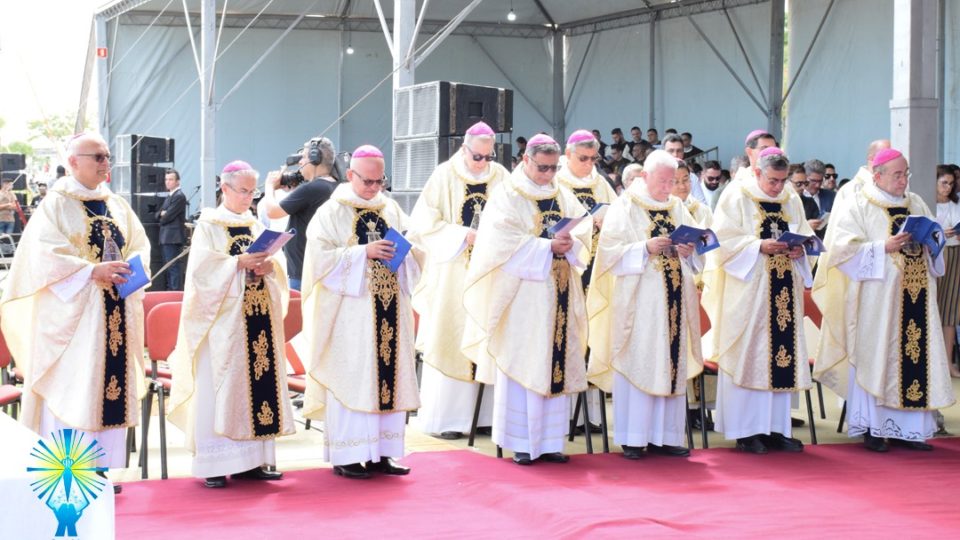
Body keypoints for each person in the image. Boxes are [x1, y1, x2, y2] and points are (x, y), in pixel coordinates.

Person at [0, 133, 150, 494]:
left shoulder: (116, 204)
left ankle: (99, 468)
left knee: (105, 387)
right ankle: (69, 468)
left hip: (113, 311)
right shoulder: (56, 204)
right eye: (97, 156)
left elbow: (139, 244)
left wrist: (127, 270)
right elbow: (42, 258)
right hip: (74, 320)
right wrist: (91, 272)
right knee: (75, 388)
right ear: (73, 161)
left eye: (107, 156)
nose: (105, 162)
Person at [813, 148, 955, 452]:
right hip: (877, 302)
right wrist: (882, 246)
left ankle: (909, 431)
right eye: (897, 174)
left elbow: (935, 240)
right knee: (877, 358)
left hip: (916, 294)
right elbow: (840, 249)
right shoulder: (859, 203)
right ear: (877, 175)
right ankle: (875, 430)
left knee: (914, 356)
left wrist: (932, 241)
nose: (904, 180)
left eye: (906, 173)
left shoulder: (914, 202)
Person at [462, 133, 591, 465]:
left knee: (554, 360)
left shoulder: (561, 193)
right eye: (543, 167)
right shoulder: (508, 195)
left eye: (553, 168)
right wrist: (546, 246)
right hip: (523, 296)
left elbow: (582, 230)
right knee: (526, 360)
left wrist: (570, 241)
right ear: (526, 160)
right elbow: (498, 243)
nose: (548, 174)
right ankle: (521, 441)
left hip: (559, 290)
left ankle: (550, 442)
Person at [167, 160, 294, 488]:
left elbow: (274, 263)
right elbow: (200, 273)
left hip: (256, 319)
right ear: (224, 188)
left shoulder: (253, 223)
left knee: (256, 388)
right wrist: (237, 264)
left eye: (253, 192)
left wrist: (270, 269)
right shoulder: (209, 225)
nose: (249, 198)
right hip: (221, 326)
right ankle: (213, 463)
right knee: (218, 388)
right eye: (243, 191)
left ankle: (250, 462)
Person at [302, 145, 422, 480]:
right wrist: (362, 253)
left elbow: (414, 245)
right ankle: (349, 455)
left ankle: (384, 453)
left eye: (379, 181)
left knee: (387, 378)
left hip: (389, 310)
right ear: (351, 175)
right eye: (367, 181)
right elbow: (319, 261)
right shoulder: (331, 212)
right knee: (354, 378)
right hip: (350, 316)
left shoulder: (392, 208)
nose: (373, 188)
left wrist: (407, 251)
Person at [587, 150, 703, 459]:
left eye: (673, 181)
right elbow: (608, 254)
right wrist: (644, 247)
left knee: (669, 362)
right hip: (640, 304)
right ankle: (634, 437)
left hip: (674, 298)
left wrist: (689, 249)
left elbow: (696, 250)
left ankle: (666, 436)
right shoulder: (625, 206)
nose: (668, 187)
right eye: (663, 181)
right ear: (645, 177)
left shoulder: (677, 206)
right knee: (640, 361)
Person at [702, 147, 815, 454]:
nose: (778, 186)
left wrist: (799, 250)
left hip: (784, 292)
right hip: (750, 293)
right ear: (757, 172)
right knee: (749, 356)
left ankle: (777, 429)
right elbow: (722, 242)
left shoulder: (790, 198)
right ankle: (747, 431)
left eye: (782, 180)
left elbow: (805, 234)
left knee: (781, 357)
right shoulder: (736, 195)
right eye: (773, 180)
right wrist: (758, 246)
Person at [409, 122, 507, 440]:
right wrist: (462, 234)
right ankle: (450, 418)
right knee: (451, 334)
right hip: (453, 271)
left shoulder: (501, 176)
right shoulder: (443, 175)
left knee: (489, 335)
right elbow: (424, 220)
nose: (482, 163)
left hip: (490, 272)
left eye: (487, 157)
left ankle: (487, 416)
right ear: (464, 149)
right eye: (476, 156)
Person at [556, 129, 618, 431]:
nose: (589, 164)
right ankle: (566, 414)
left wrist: (606, 222)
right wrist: (585, 225)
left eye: (594, 159)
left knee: (593, 337)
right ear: (568, 155)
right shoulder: (554, 182)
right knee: (569, 339)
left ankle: (590, 416)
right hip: (566, 267)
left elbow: (620, 218)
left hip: (596, 269)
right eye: (583, 158)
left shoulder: (600, 184)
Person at [261, 137, 338, 291]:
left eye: (303, 157)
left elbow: (272, 212)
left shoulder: (312, 188)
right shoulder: (333, 185)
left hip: (303, 273)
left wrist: (269, 186)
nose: (300, 162)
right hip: (321, 269)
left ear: (315, 159)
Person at [933, 165, 960, 378]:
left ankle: (949, 362)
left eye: (951, 184)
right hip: (935, 255)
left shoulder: (955, 205)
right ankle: (934, 364)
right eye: (944, 182)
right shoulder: (927, 205)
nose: (948, 187)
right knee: (933, 306)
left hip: (955, 253)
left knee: (951, 309)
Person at [154, 168, 187, 290]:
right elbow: (157, 214)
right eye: (166, 179)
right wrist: (161, 214)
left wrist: (162, 215)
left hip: (172, 238)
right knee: (168, 267)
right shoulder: (170, 196)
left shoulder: (179, 196)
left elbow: (166, 217)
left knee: (173, 267)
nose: (168, 182)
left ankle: (175, 292)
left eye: (171, 179)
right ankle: (170, 290)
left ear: (178, 181)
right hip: (166, 237)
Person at [662, 134, 706, 203]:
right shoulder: (654, 177)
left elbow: (702, 205)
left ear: (683, 153)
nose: (675, 155)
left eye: (679, 151)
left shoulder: (692, 178)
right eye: (671, 151)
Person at [673, 161, 712, 228]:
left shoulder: (703, 210)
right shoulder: (660, 211)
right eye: (676, 182)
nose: (682, 186)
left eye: (685, 180)